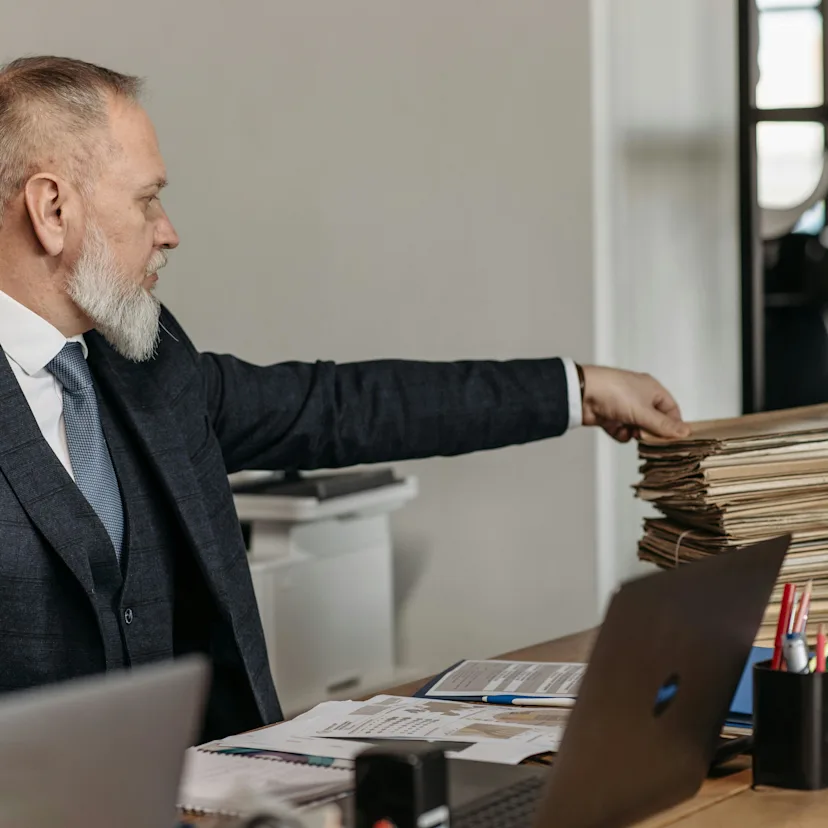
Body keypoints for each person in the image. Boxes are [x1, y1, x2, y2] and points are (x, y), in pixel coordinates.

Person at [0, 56, 689, 740]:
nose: (168, 230)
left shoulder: (146, 361)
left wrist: (581, 390)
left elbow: (336, 408)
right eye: (146, 199)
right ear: (53, 209)